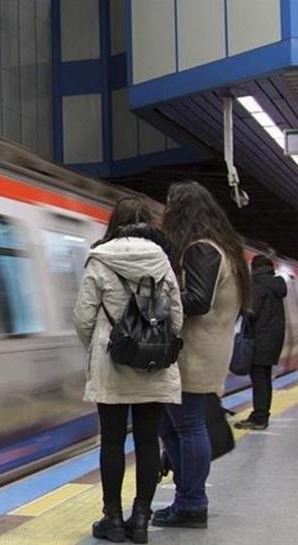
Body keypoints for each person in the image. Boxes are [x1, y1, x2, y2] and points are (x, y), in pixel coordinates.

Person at [74, 196, 183, 544]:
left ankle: (114, 520)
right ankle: (140, 520)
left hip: (111, 364)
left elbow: (83, 318)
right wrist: (155, 341)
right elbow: (178, 318)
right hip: (153, 365)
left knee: (112, 441)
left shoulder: (100, 260)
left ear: (114, 223)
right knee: (148, 440)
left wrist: (101, 344)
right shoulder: (162, 261)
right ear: (149, 224)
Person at [155, 181, 251, 529]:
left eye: (169, 207)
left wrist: (159, 301)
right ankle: (186, 497)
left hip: (195, 354)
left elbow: (196, 300)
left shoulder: (202, 249)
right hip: (206, 350)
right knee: (172, 425)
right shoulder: (224, 248)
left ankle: (192, 503)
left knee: (188, 426)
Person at [235, 255, 286, 430]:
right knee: (264, 379)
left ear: (254, 268)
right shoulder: (275, 285)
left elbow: (251, 311)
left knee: (259, 380)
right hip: (272, 341)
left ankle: (259, 418)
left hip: (260, 340)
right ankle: (262, 415)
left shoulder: (259, 285)